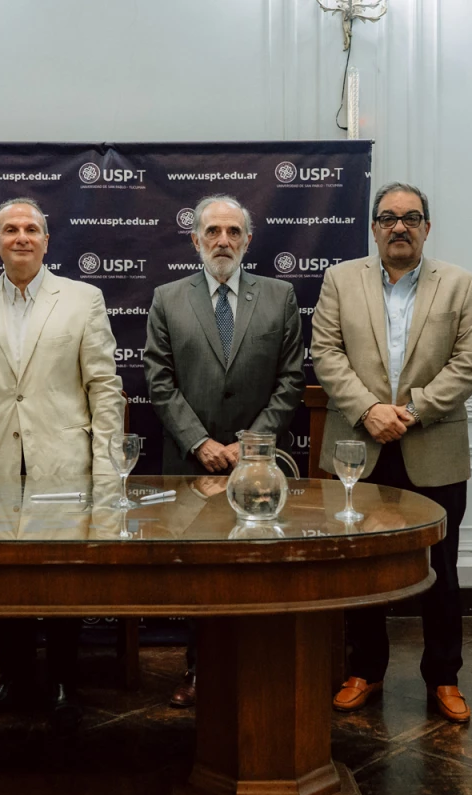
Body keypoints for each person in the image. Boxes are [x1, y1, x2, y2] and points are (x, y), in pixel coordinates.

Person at [0, 197, 124, 731]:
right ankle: (13, 681)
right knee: (5, 580)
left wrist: (107, 469)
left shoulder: (83, 299)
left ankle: (65, 684)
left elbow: (104, 388)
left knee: (64, 578)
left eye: (31, 229)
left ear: (47, 240)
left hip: (65, 462)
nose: (21, 237)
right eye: (9, 230)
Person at [311, 182, 472, 724]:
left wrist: (409, 412)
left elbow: (470, 362)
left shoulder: (459, 284)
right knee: (360, 571)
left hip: (431, 446)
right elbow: (326, 351)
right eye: (388, 218)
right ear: (374, 227)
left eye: (411, 217)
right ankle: (366, 669)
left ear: (427, 227)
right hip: (355, 450)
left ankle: (445, 677)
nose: (399, 227)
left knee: (442, 570)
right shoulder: (341, 279)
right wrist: (369, 410)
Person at [142, 194, 304, 708]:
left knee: (258, 569)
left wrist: (250, 447)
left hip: (259, 470)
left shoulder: (279, 297)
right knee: (200, 574)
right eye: (212, 231)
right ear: (195, 239)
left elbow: (291, 378)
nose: (223, 241)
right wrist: (201, 442)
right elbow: (159, 380)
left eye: (234, 232)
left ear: (248, 240)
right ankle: (199, 668)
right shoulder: (168, 298)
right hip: (191, 464)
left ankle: (258, 671)